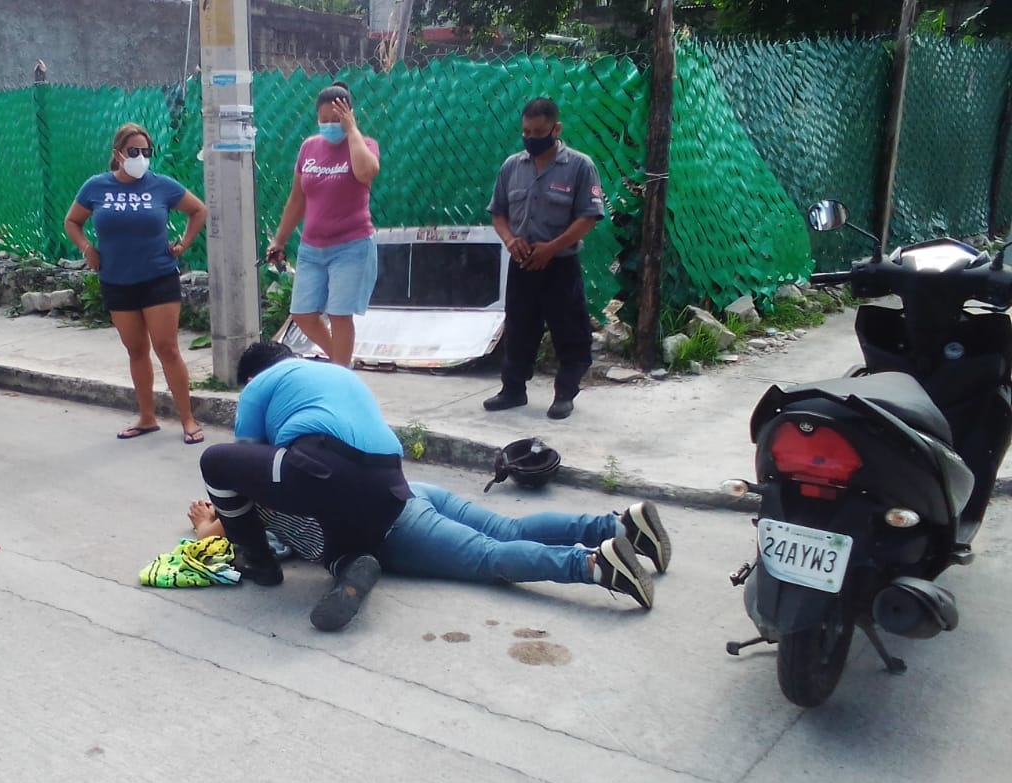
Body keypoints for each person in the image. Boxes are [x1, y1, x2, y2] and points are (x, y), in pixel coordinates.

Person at [187, 481, 666, 611]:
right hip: (411, 489)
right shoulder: (279, 457)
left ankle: (594, 566)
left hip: (395, 526)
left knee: (488, 558)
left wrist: (210, 528)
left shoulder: (250, 509)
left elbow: (264, 548)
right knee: (510, 529)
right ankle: (621, 525)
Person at [199, 341, 410, 631]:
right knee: (339, 549)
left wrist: (221, 518)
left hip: (323, 470)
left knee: (215, 461)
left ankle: (258, 560)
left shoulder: (258, 384)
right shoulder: (338, 373)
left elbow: (248, 467)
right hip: (390, 489)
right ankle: (351, 566)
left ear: (250, 378)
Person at [64, 122, 208, 443]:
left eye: (146, 151)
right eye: (134, 151)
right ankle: (147, 417)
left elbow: (198, 210)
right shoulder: (96, 187)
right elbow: (72, 221)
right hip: (117, 280)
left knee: (167, 348)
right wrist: (87, 248)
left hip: (158, 278)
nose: (141, 157)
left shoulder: (162, 186)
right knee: (136, 349)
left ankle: (187, 419)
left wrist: (183, 244)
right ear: (117, 153)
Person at [484, 97, 605, 421]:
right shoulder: (512, 166)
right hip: (522, 265)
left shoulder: (580, 166)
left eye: (539, 131)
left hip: (560, 265)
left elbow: (589, 217)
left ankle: (565, 393)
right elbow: (498, 213)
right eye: (526, 131)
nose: (532, 137)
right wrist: (511, 241)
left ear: (556, 128)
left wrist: (551, 247)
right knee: (519, 328)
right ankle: (513, 390)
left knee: (570, 331)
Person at [264, 81, 380, 368]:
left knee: (340, 314)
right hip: (312, 248)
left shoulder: (364, 144)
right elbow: (296, 200)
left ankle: (340, 374)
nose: (329, 125)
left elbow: (366, 172)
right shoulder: (309, 148)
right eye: (324, 120)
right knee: (302, 313)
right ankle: (342, 364)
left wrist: (351, 130)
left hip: (351, 246)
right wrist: (279, 240)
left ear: (350, 114)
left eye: (336, 119)